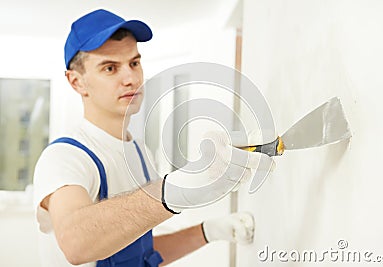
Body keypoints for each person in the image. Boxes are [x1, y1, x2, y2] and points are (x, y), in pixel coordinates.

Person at [33, 9, 271, 267]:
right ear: (77, 82)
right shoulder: (65, 157)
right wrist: (177, 188)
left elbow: (138, 253)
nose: (131, 78)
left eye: (134, 63)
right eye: (110, 68)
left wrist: (209, 231)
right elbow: (77, 243)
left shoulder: (138, 152)